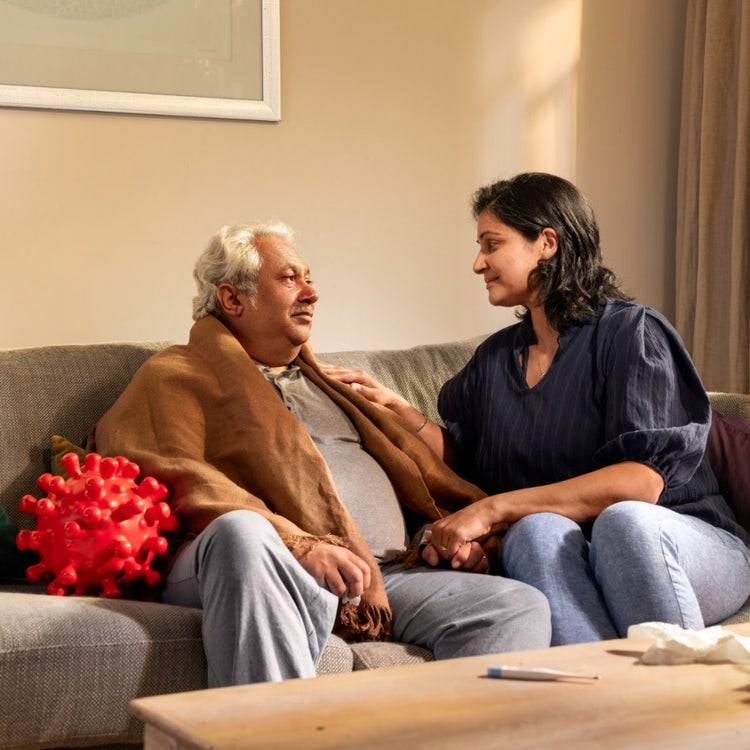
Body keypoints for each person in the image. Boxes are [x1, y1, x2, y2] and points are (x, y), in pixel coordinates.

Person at [89, 221, 551, 687]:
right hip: (253, 561)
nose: (311, 293)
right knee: (244, 534)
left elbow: (418, 480)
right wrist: (300, 545)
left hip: (379, 575)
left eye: (309, 278)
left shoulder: (328, 383)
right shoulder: (175, 375)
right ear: (232, 299)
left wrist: (441, 538)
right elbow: (172, 471)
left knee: (513, 607)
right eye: (290, 279)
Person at [323, 172, 750, 646]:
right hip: (581, 551)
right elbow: (464, 458)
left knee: (622, 522)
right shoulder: (496, 359)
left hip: (684, 543)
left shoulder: (631, 333)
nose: (477, 263)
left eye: (491, 244)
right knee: (534, 534)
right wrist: (399, 411)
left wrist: (493, 510)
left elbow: (640, 484)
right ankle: (603, 704)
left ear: (547, 242)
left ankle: (680, 700)